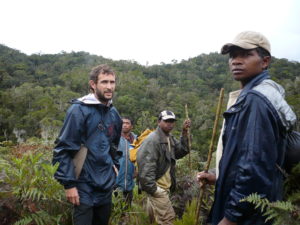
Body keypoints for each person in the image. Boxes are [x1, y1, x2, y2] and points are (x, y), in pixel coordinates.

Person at [197, 31, 297, 225]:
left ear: (265, 61)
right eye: (233, 55)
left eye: (245, 54)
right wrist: (218, 177)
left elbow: (254, 169)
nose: (236, 61)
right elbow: (248, 159)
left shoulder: (255, 101)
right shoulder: (262, 94)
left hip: (249, 216)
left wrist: (230, 218)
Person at [52, 64, 123, 225]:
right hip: (84, 186)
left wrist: (115, 165)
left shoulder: (113, 113)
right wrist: (69, 185)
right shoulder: (79, 110)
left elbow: (114, 144)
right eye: (104, 82)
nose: (109, 87)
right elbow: (63, 149)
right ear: (93, 84)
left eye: (112, 82)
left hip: (105, 186)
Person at [137, 110, 191, 225]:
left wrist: (185, 133)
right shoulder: (153, 140)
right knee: (168, 219)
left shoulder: (168, 138)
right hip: (157, 188)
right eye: (166, 121)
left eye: (172, 121)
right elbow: (146, 166)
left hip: (164, 188)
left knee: (154, 220)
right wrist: (154, 190)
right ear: (158, 122)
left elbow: (181, 151)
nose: (170, 124)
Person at [115, 117, 137, 206]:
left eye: (127, 123)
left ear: (131, 126)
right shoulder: (115, 138)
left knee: (127, 208)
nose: (124, 125)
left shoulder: (136, 140)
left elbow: (140, 156)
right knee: (116, 207)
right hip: (116, 179)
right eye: (123, 123)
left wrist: (137, 170)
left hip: (130, 181)